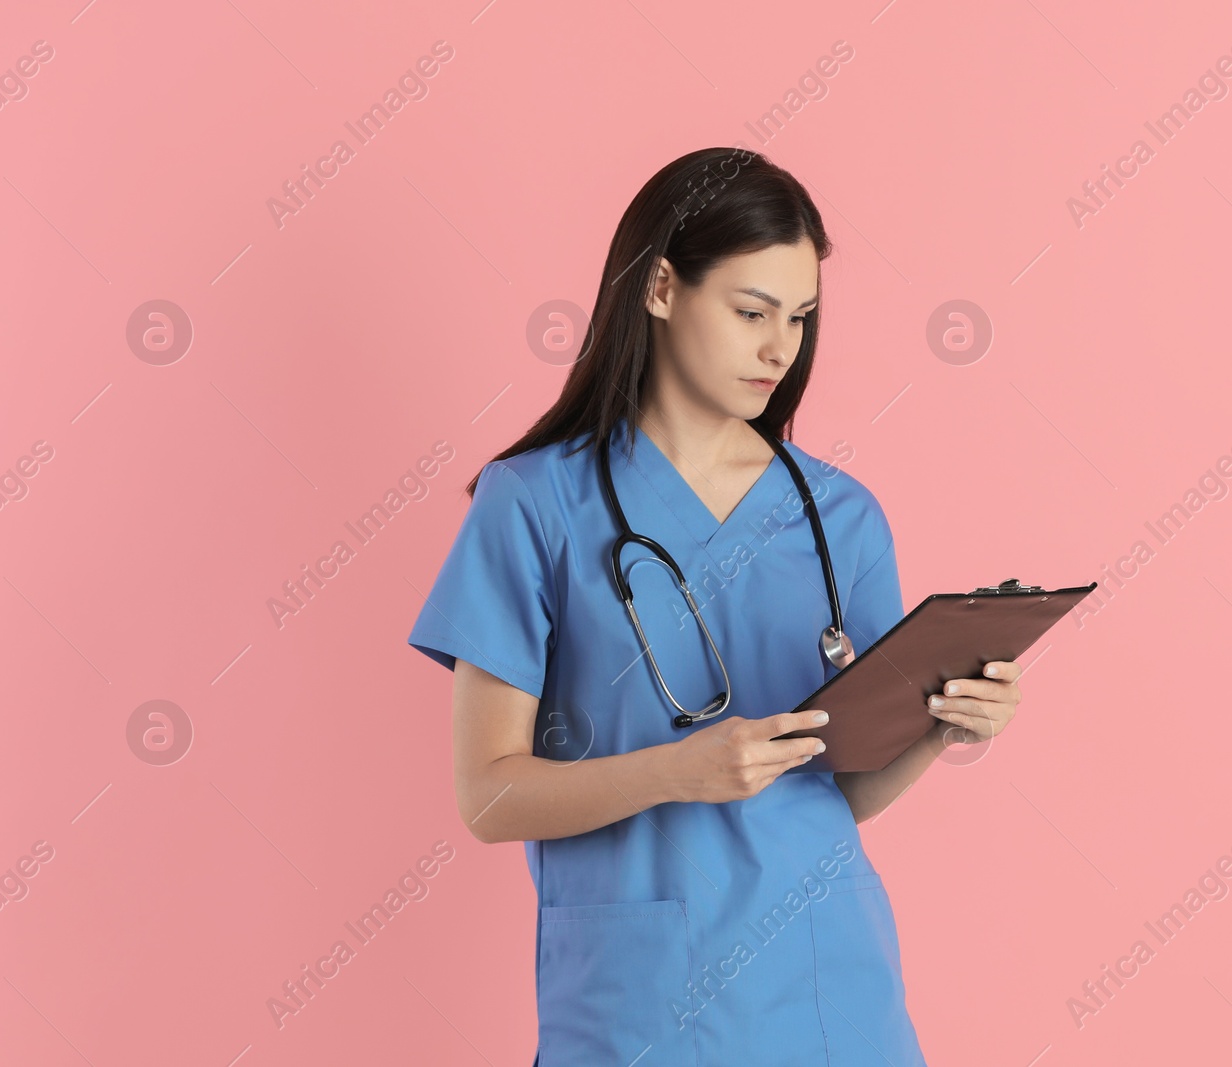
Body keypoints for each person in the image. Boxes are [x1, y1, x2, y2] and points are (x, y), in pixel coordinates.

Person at [407, 146, 1024, 1065]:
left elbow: (844, 788)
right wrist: (677, 770)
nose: (781, 347)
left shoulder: (839, 516)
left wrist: (943, 726)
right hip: (639, 1000)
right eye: (751, 312)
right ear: (660, 287)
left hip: (830, 989)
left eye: (802, 318)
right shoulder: (535, 504)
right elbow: (489, 794)